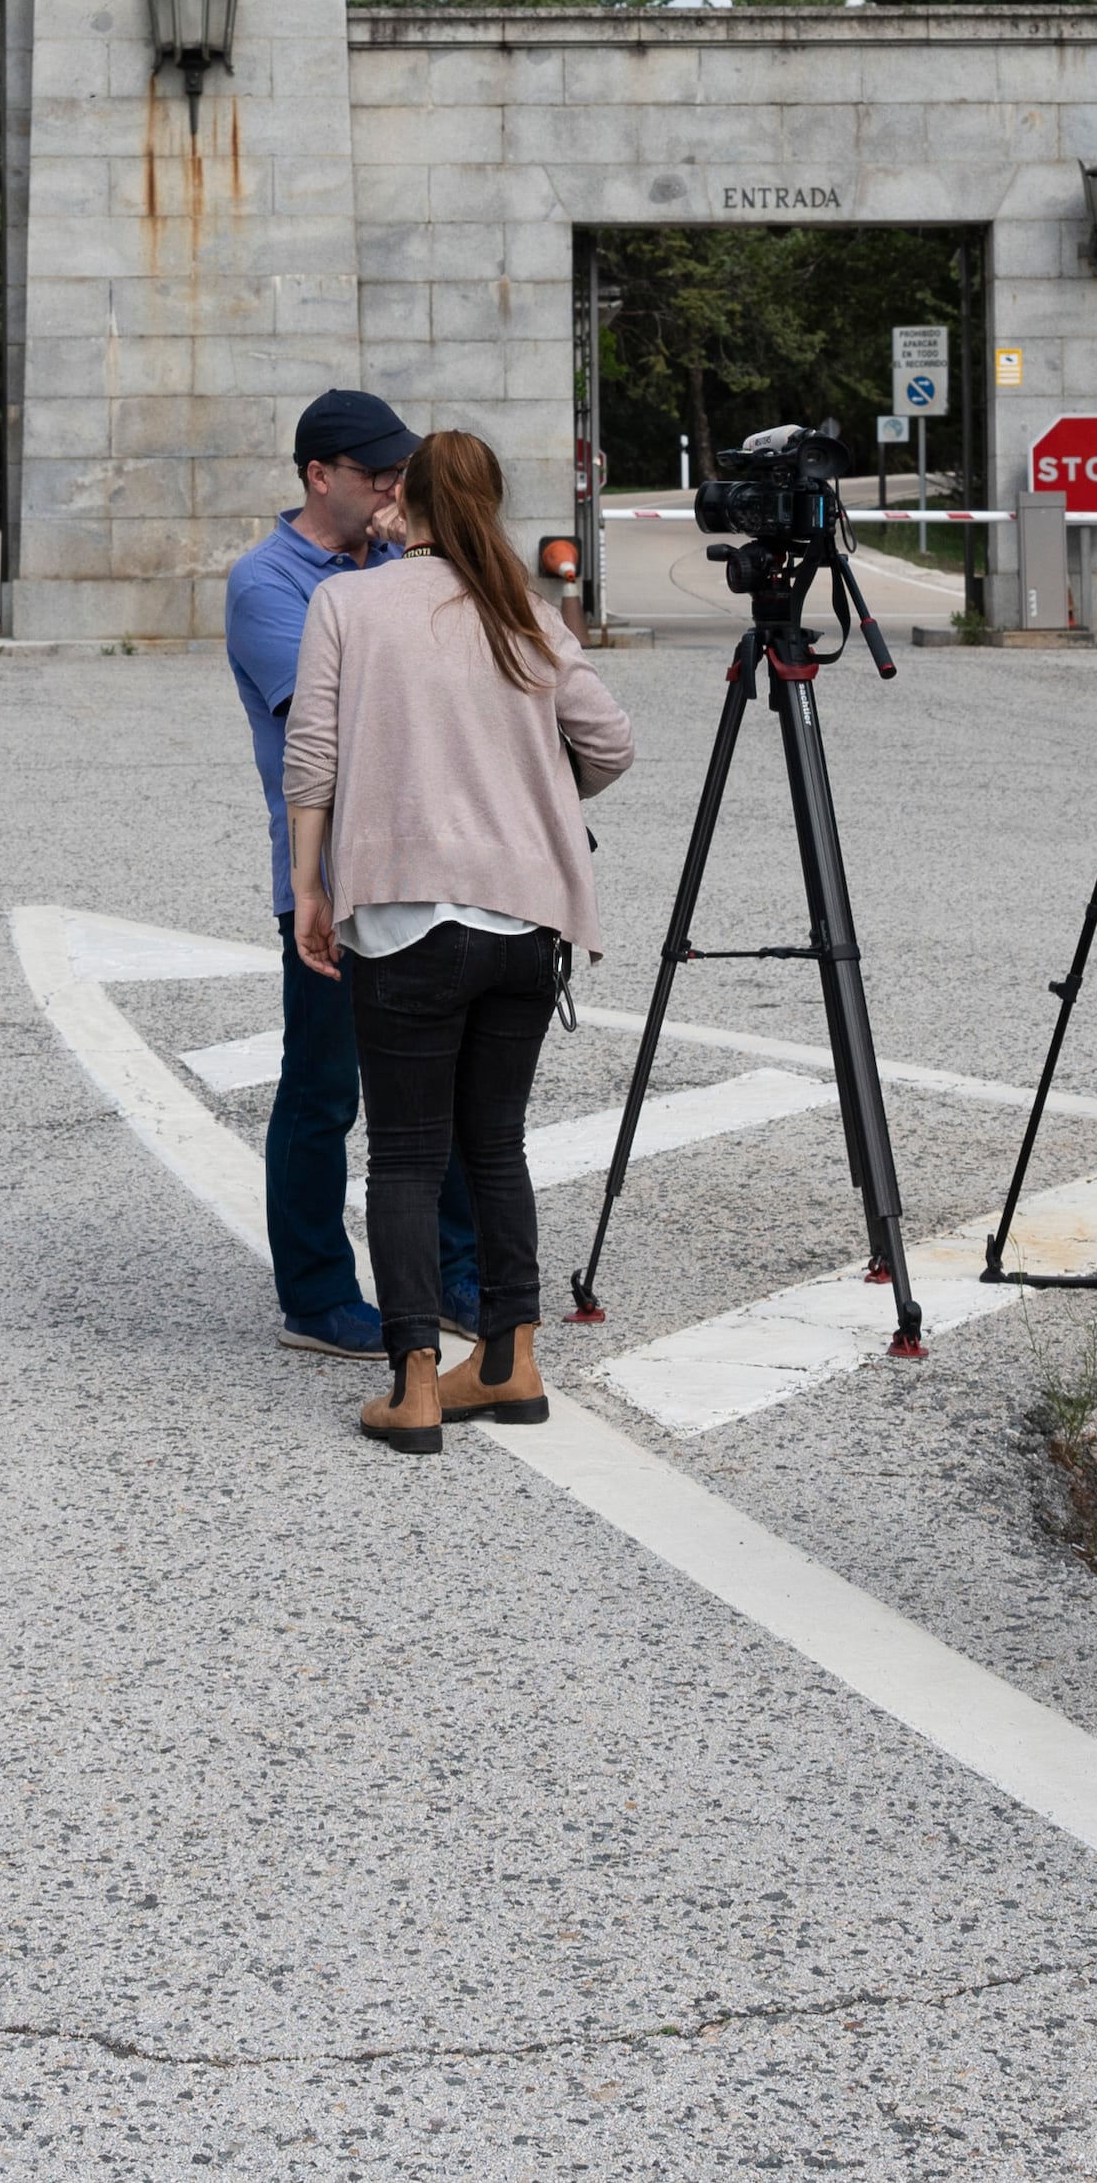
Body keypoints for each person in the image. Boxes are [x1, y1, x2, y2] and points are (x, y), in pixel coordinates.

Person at [282, 430, 634, 1453]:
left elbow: (313, 758)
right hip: (526, 921)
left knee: (401, 1152)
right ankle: (508, 1361)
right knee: (494, 1145)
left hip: (405, 914)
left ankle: (412, 1383)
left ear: (407, 501)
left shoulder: (347, 603)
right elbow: (610, 742)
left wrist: (311, 886)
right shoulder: (524, 611)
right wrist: (536, 802)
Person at [225, 389, 478, 1358]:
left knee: (442, 1085)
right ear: (317, 474)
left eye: (399, 472)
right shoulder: (268, 584)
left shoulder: (392, 565)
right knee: (324, 1089)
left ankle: (454, 1270)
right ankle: (317, 1292)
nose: (392, 485)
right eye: (374, 471)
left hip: (423, 866)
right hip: (330, 883)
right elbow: (344, 722)